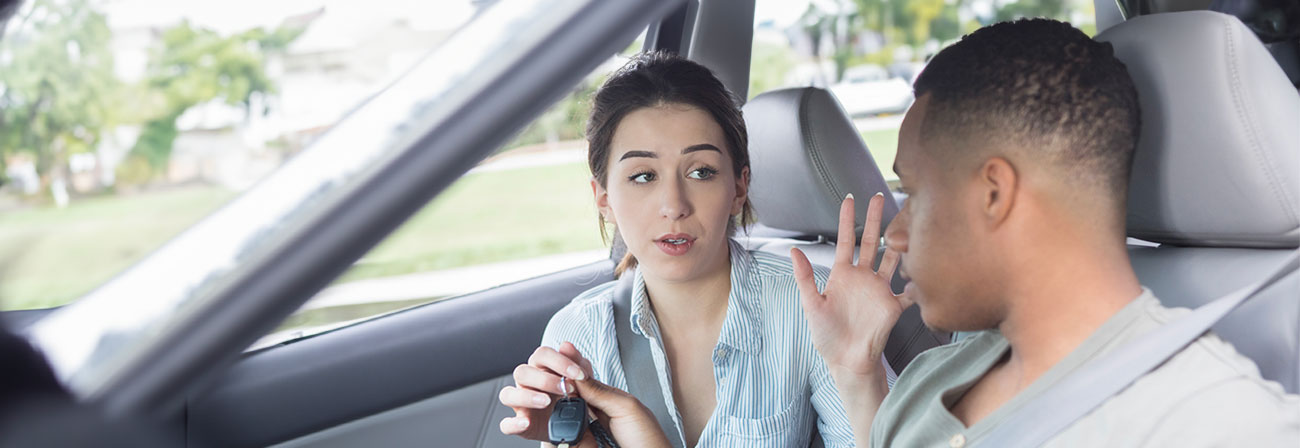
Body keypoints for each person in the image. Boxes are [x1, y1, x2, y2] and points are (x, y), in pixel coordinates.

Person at [790, 18, 1300, 447]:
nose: (895, 237)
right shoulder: (929, 380)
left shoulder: (1218, 424)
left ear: (994, 193)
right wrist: (856, 371)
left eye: (915, 196)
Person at [496, 51, 885, 447]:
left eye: (701, 172)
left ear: (738, 188)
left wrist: (861, 377)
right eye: (643, 176)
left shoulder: (811, 306)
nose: (674, 205)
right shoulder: (576, 337)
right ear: (604, 199)